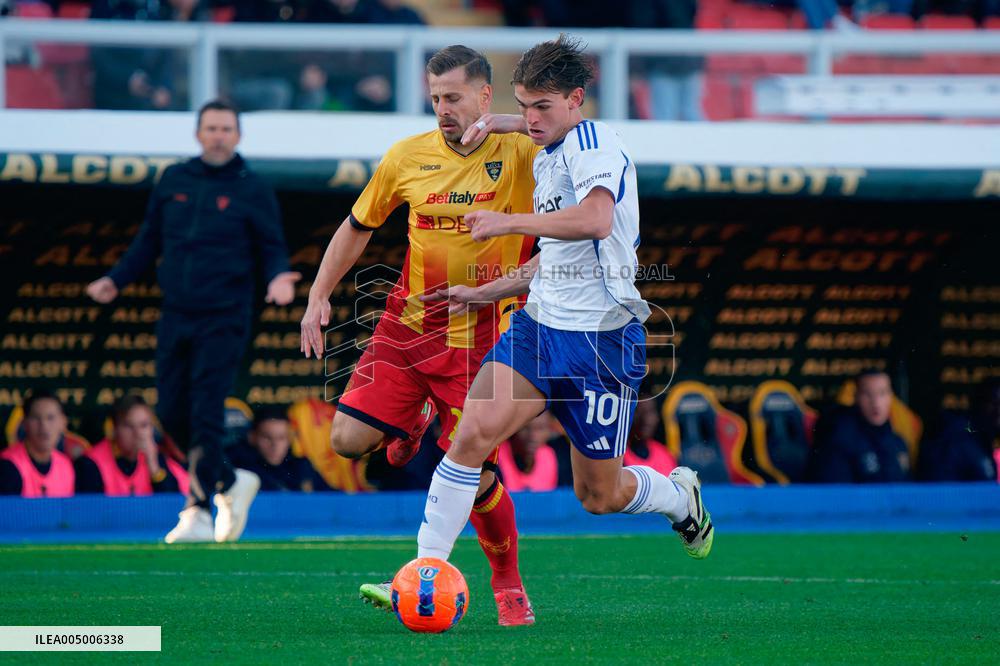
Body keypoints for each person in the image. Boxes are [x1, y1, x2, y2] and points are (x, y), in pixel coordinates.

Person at [410, 35, 715, 598]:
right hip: (539, 329)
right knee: (470, 435)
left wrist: (507, 223)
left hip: (601, 341)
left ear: (577, 99)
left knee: (599, 496)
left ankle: (678, 497)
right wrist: (486, 293)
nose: (530, 119)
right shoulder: (551, 154)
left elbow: (597, 220)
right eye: (523, 106)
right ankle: (422, 575)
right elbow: (555, 261)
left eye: (542, 107)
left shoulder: (596, 142)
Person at [299, 45, 539, 625]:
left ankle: (508, 585)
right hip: (406, 331)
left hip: (483, 342)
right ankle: (415, 419)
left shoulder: (527, 154)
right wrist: (318, 294)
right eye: (435, 98)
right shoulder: (406, 157)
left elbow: (593, 139)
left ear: (486, 96)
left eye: (453, 97)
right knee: (347, 441)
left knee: (475, 473)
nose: (442, 109)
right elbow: (357, 226)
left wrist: (519, 121)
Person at [86, 99, 301, 543]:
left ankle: (198, 510)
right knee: (168, 411)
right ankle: (230, 481)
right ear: (198, 134)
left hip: (225, 316)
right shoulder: (174, 179)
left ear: (238, 136)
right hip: (177, 312)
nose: (219, 135)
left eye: (226, 128)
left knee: (205, 412)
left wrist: (280, 276)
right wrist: (115, 280)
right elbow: (148, 241)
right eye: (211, 128)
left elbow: (272, 246)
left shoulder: (252, 186)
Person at [75, 395, 189, 496]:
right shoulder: (90, 463)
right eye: (128, 426)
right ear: (113, 429)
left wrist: (154, 469)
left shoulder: (157, 459)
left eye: (144, 425)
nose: (138, 434)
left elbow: (172, 507)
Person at [810, 369, 911, 483]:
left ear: (891, 396)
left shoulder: (898, 442)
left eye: (882, 393)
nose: (876, 402)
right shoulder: (840, 438)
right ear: (856, 397)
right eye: (867, 394)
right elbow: (836, 494)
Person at [228, 407, 326, 492]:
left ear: (289, 439)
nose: (274, 445)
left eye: (281, 438)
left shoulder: (301, 468)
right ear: (252, 437)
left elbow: (334, 499)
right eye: (267, 437)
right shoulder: (238, 467)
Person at [0, 390, 75, 498]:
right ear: (24, 423)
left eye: (50, 418)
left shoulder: (66, 466)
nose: (44, 426)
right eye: (35, 418)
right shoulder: (7, 466)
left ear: (63, 422)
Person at [497, 413, 559, 492]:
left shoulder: (548, 456)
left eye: (540, 428)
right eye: (525, 428)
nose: (532, 436)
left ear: (550, 431)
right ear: (513, 429)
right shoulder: (497, 455)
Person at [623, 397, 676, 476]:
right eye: (639, 411)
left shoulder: (665, 454)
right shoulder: (618, 457)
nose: (646, 420)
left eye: (650, 412)